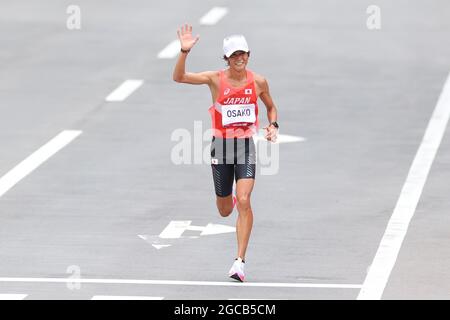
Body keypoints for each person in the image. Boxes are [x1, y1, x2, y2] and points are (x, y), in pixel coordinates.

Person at [173, 24, 279, 282]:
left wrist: (273, 125)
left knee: (244, 200)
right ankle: (227, 197)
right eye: (234, 55)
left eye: (243, 53)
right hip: (221, 147)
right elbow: (179, 77)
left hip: (244, 146)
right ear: (226, 59)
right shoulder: (214, 79)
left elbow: (271, 108)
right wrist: (184, 52)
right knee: (224, 210)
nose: (239, 58)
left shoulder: (259, 81)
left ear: (249, 55)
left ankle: (239, 262)